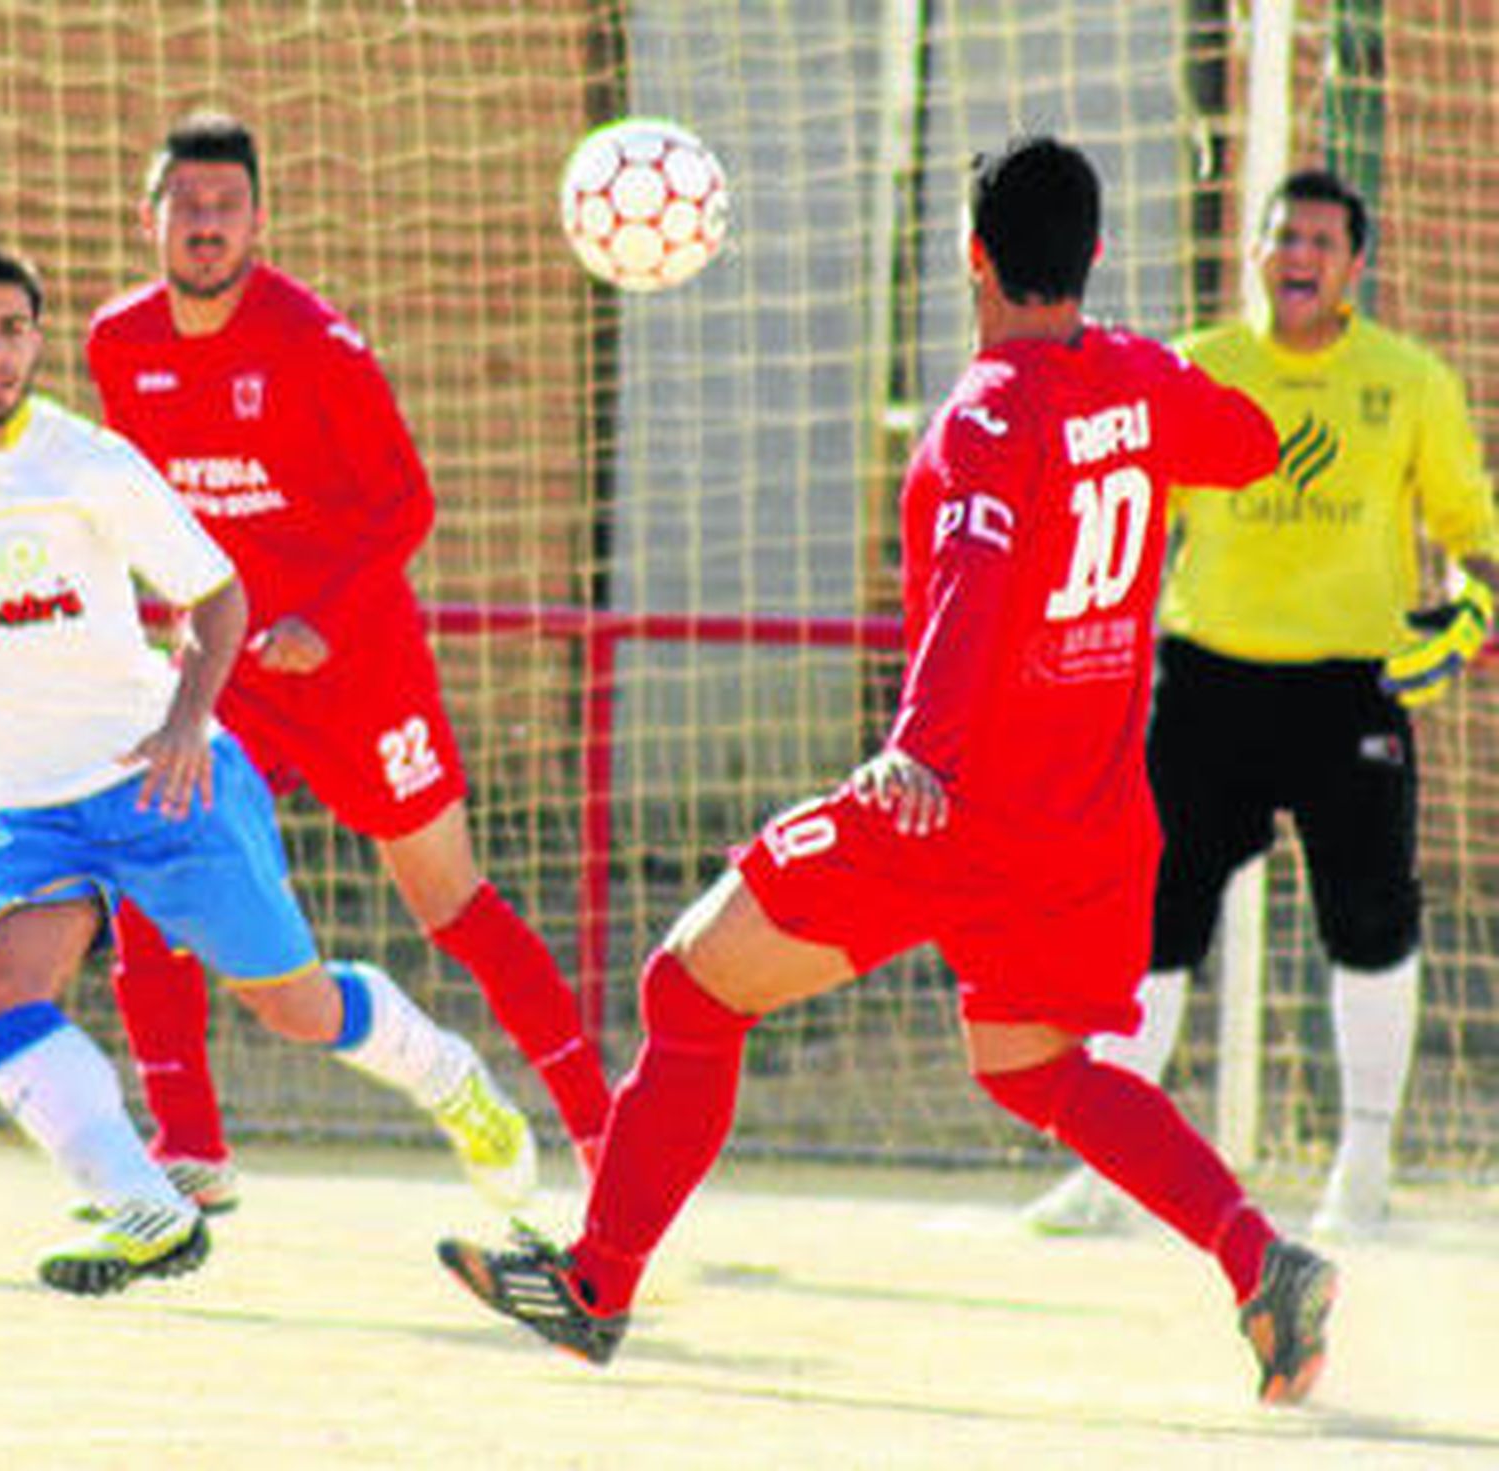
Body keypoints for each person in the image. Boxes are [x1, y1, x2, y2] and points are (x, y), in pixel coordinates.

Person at [437, 136, 1339, 1405]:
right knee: (1031, 1067)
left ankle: (597, 1283)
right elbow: (1246, 443)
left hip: (955, 809)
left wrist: (919, 743)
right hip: (1087, 823)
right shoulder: (1133, 375)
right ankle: (1262, 1258)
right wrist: (1139, 372)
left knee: (687, 990)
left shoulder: (984, 415)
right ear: (1089, 256)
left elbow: (972, 581)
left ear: (971, 258)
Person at [0, 239, 537, 1294]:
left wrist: (191, 719)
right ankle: (144, 1208)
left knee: (293, 1007)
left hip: (159, 779)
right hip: (22, 808)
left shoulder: (87, 463)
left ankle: (449, 1074)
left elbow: (218, 593)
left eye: (14, 329)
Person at [85, 112, 611, 1212]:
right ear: (150, 221)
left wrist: (322, 614)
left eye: (228, 206)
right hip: (228, 665)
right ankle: (193, 1149)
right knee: (149, 867)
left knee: (452, 904)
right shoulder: (118, 345)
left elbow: (407, 502)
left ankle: (603, 1137)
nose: (208, 225)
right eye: (187, 205)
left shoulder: (316, 343)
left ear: (259, 221)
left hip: (358, 667)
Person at [1026, 168, 1499, 1242]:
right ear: (1255, 250)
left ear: (1354, 266)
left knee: (1371, 922)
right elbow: (1131, 517)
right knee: (1145, 928)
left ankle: (1364, 1165)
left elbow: (1474, 533)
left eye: (1324, 241)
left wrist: (1470, 614)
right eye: (1283, 234)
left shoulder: (1409, 379)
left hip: (1348, 692)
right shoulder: (1197, 368)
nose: (1301, 253)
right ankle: (1107, 1170)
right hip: (1206, 685)